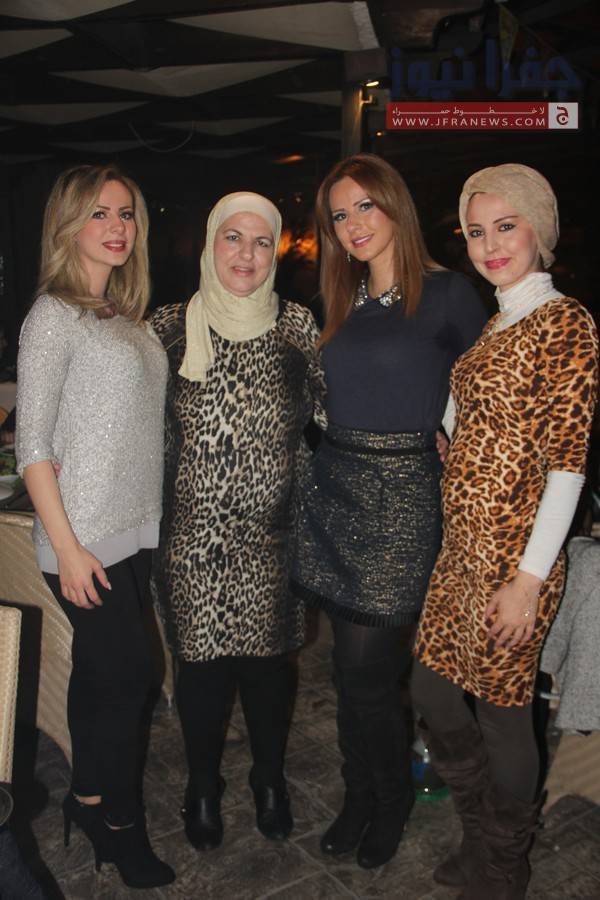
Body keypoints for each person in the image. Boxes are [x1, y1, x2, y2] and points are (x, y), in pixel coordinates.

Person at [292, 153, 487, 869]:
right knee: (347, 672)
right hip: (337, 487)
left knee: (368, 671)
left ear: (393, 205)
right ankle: (359, 793)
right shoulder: (340, 298)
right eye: (339, 215)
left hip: (403, 497)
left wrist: (452, 435)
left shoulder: (448, 293)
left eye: (364, 206)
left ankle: (391, 798)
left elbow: (487, 392)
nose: (352, 225)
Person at [412, 163, 599, 899]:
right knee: (431, 692)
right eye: (475, 231)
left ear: (538, 230)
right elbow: (479, 414)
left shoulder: (565, 322)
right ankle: (480, 836)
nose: (490, 244)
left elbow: (567, 466)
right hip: (461, 552)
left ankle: (502, 866)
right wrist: (451, 439)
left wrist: (528, 580)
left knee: (502, 716)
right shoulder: (499, 322)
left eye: (506, 226)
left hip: (515, 560)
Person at [149, 192, 324, 852]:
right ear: (209, 245)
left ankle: (269, 780)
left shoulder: (297, 326)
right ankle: (202, 785)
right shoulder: (167, 327)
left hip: (273, 542)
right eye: (232, 237)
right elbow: (138, 429)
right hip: (190, 542)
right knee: (200, 673)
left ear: (275, 250)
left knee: (268, 673)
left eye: (260, 241)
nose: (246, 253)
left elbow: (329, 417)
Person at [15, 164, 175, 889]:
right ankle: (118, 826)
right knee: (132, 677)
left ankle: (83, 799)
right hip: (82, 536)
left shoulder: (124, 317)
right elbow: (32, 446)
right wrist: (68, 549)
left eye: (126, 213)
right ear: (67, 224)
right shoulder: (54, 315)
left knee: (100, 674)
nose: (116, 227)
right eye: (99, 214)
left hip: (131, 527)